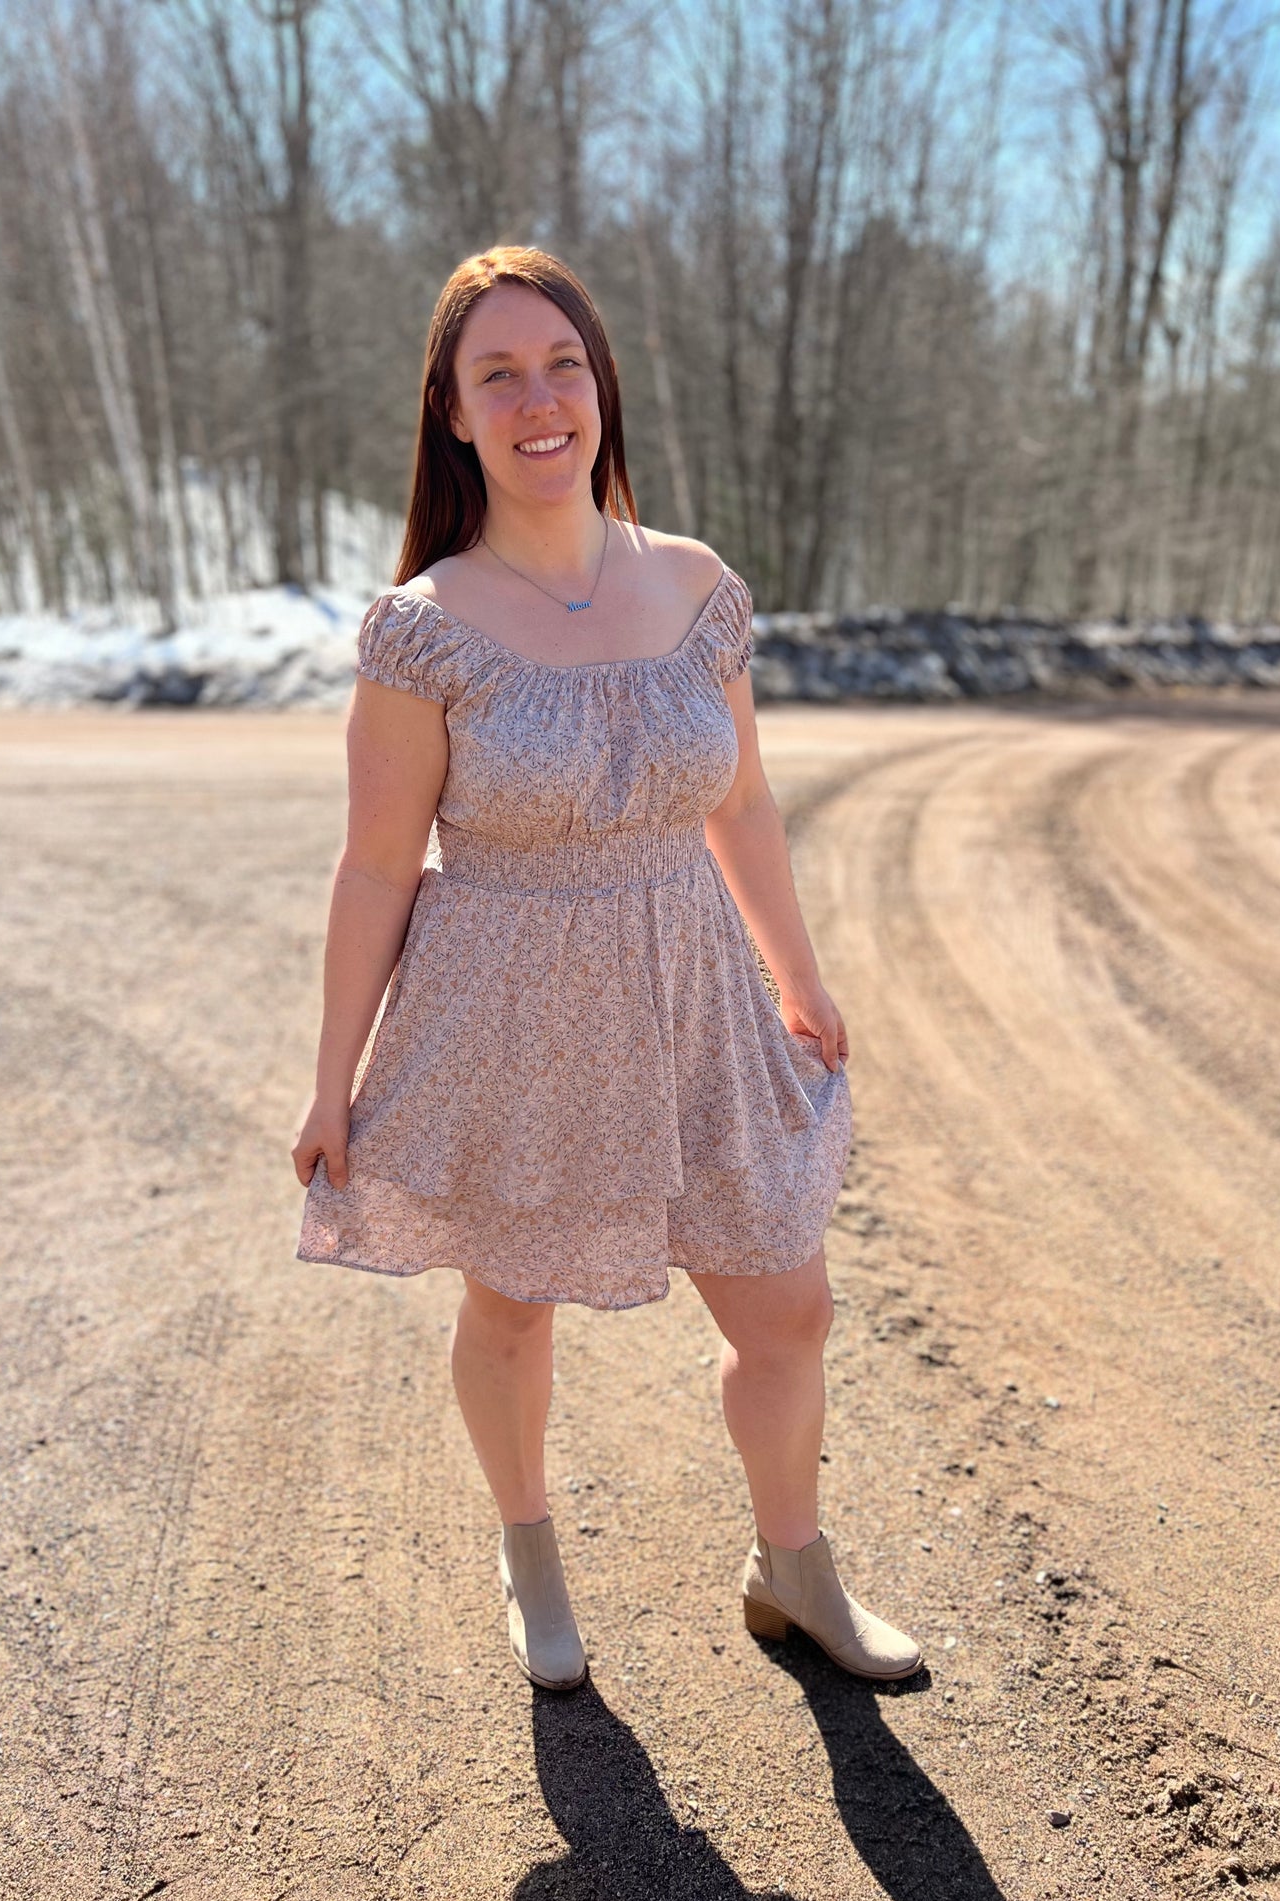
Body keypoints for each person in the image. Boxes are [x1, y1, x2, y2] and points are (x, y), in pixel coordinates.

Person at [291, 245, 922, 1693]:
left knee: (787, 1304)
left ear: (601, 386)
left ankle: (796, 1571)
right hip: (506, 998)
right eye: (495, 374)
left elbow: (743, 804)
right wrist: (330, 1081)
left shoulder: (698, 591)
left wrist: (798, 975)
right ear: (453, 414)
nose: (537, 399)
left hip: (692, 983)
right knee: (510, 1306)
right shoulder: (423, 627)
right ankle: (530, 1560)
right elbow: (378, 866)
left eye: (560, 364)